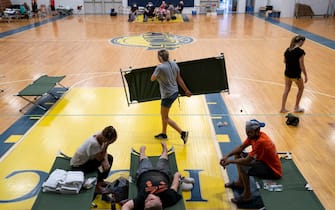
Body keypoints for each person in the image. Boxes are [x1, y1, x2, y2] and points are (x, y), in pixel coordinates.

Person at [219, 119, 282, 204]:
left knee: (243, 165)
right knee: (238, 155)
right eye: (247, 132)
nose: (248, 134)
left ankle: (247, 196)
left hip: (272, 170)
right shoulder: (253, 136)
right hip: (262, 162)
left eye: (250, 132)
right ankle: (240, 182)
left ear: (255, 131)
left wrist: (229, 162)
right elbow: (241, 147)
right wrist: (227, 156)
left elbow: (247, 161)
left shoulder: (261, 142)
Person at [121, 142, 182, 210]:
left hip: (144, 173)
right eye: (152, 199)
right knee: (163, 160)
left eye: (146, 201)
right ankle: (165, 150)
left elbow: (126, 206)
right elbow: (174, 186)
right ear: (160, 202)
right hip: (163, 173)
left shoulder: (142, 200)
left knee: (144, 161)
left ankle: (142, 152)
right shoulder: (168, 197)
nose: (148, 197)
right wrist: (177, 175)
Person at [151, 49, 192, 144]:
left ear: (160, 57)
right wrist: (186, 90)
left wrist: (157, 71)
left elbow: (152, 78)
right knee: (164, 115)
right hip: (175, 92)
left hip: (167, 95)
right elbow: (179, 79)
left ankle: (182, 133)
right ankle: (164, 133)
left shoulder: (160, 67)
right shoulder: (174, 63)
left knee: (165, 117)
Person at [70, 125, 117, 194]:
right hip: (78, 166)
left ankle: (100, 180)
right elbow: (100, 158)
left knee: (109, 158)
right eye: (110, 142)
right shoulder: (94, 144)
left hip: (87, 160)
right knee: (100, 165)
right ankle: (97, 186)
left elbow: (103, 153)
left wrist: (106, 160)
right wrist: (107, 145)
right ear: (106, 139)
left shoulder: (101, 135)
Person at [280, 35, 307, 113]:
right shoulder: (300, 52)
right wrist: (305, 75)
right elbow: (302, 65)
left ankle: (282, 108)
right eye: (303, 42)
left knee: (286, 89)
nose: (303, 44)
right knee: (301, 88)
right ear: (301, 41)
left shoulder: (287, 50)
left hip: (287, 74)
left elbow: (284, 61)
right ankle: (296, 107)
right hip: (296, 75)